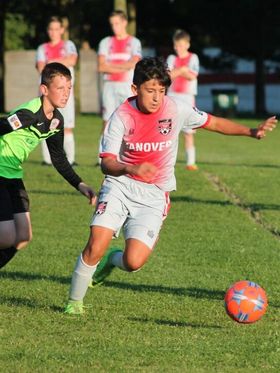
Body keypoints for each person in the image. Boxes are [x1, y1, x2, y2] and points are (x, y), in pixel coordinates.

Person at [64, 57, 277, 315]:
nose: (156, 97)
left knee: (133, 262)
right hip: (120, 186)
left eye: (161, 91)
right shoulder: (121, 116)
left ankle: (112, 261)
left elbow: (214, 122)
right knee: (96, 244)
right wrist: (131, 167)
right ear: (135, 89)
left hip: (154, 195)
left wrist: (251, 131)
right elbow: (107, 164)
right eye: (150, 90)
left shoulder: (175, 109)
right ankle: (74, 304)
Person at [0, 62, 96, 270]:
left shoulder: (56, 122)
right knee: (7, 236)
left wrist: (80, 184)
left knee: (23, 237)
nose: (66, 94)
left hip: (13, 175)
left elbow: (59, 158)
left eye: (69, 88)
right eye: (60, 88)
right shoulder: (28, 114)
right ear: (44, 90)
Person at [96, 9, 142, 164]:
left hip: (127, 86)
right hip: (110, 86)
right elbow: (101, 67)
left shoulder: (134, 42)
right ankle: (102, 156)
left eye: (117, 23)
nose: (114, 27)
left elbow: (134, 63)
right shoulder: (105, 42)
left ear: (124, 23)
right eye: (112, 24)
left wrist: (112, 66)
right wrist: (124, 67)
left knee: (130, 121)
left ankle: (129, 156)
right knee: (107, 121)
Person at [36, 15, 78, 166]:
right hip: (47, 93)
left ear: (61, 30)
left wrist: (51, 62)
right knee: (45, 123)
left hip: (65, 94)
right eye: (51, 29)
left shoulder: (68, 45)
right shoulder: (42, 48)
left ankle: (70, 159)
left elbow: (72, 60)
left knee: (67, 125)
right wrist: (61, 61)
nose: (53, 32)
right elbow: (41, 68)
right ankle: (47, 160)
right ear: (48, 31)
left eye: (56, 29)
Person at [167, 29, 200, 170]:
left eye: (180, 45)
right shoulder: (171, 58)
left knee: (188, 132)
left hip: (187, 97)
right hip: (172, 96)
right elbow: (168, 76)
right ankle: (167, 161)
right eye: (175, 45)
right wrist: (182, 70)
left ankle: (190, 162)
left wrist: (177, 71)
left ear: (187, 44)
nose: (177, 48)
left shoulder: (193, 58)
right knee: (169, 132)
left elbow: (192, 75)